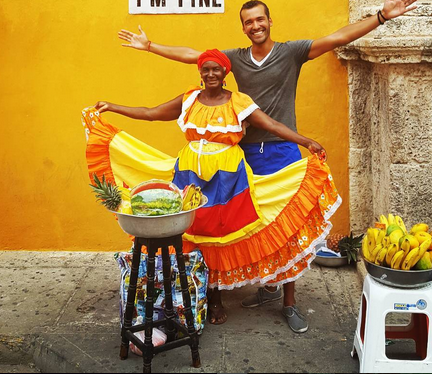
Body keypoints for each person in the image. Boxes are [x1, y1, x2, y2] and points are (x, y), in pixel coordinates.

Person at [117, 0, 418, 332]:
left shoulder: (291, 52)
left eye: (260, 19)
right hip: (242, 154)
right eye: (248, 22)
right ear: (243, 28)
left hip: (282, 148)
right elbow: (194, 56)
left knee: (288, 226)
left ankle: (288, 302)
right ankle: (266, 286)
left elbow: (337, 37)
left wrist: (381, 16)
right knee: (245, 223)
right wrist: (151, 45)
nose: (255, 25)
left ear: (270, 21)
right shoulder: (236, 58)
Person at [86, 49, 340, 330]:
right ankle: (213, 299)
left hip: (228, 177)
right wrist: (114, 106)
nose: (210, 74)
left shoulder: (238, 102)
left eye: (216, 69)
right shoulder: (189, 99)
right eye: (205, 69)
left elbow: (271, 124)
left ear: (225, 73)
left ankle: (256, 296)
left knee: (221, 233)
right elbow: (151, 113)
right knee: (197, 233)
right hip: (190, 175)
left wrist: (306, 141)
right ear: (200, 72)